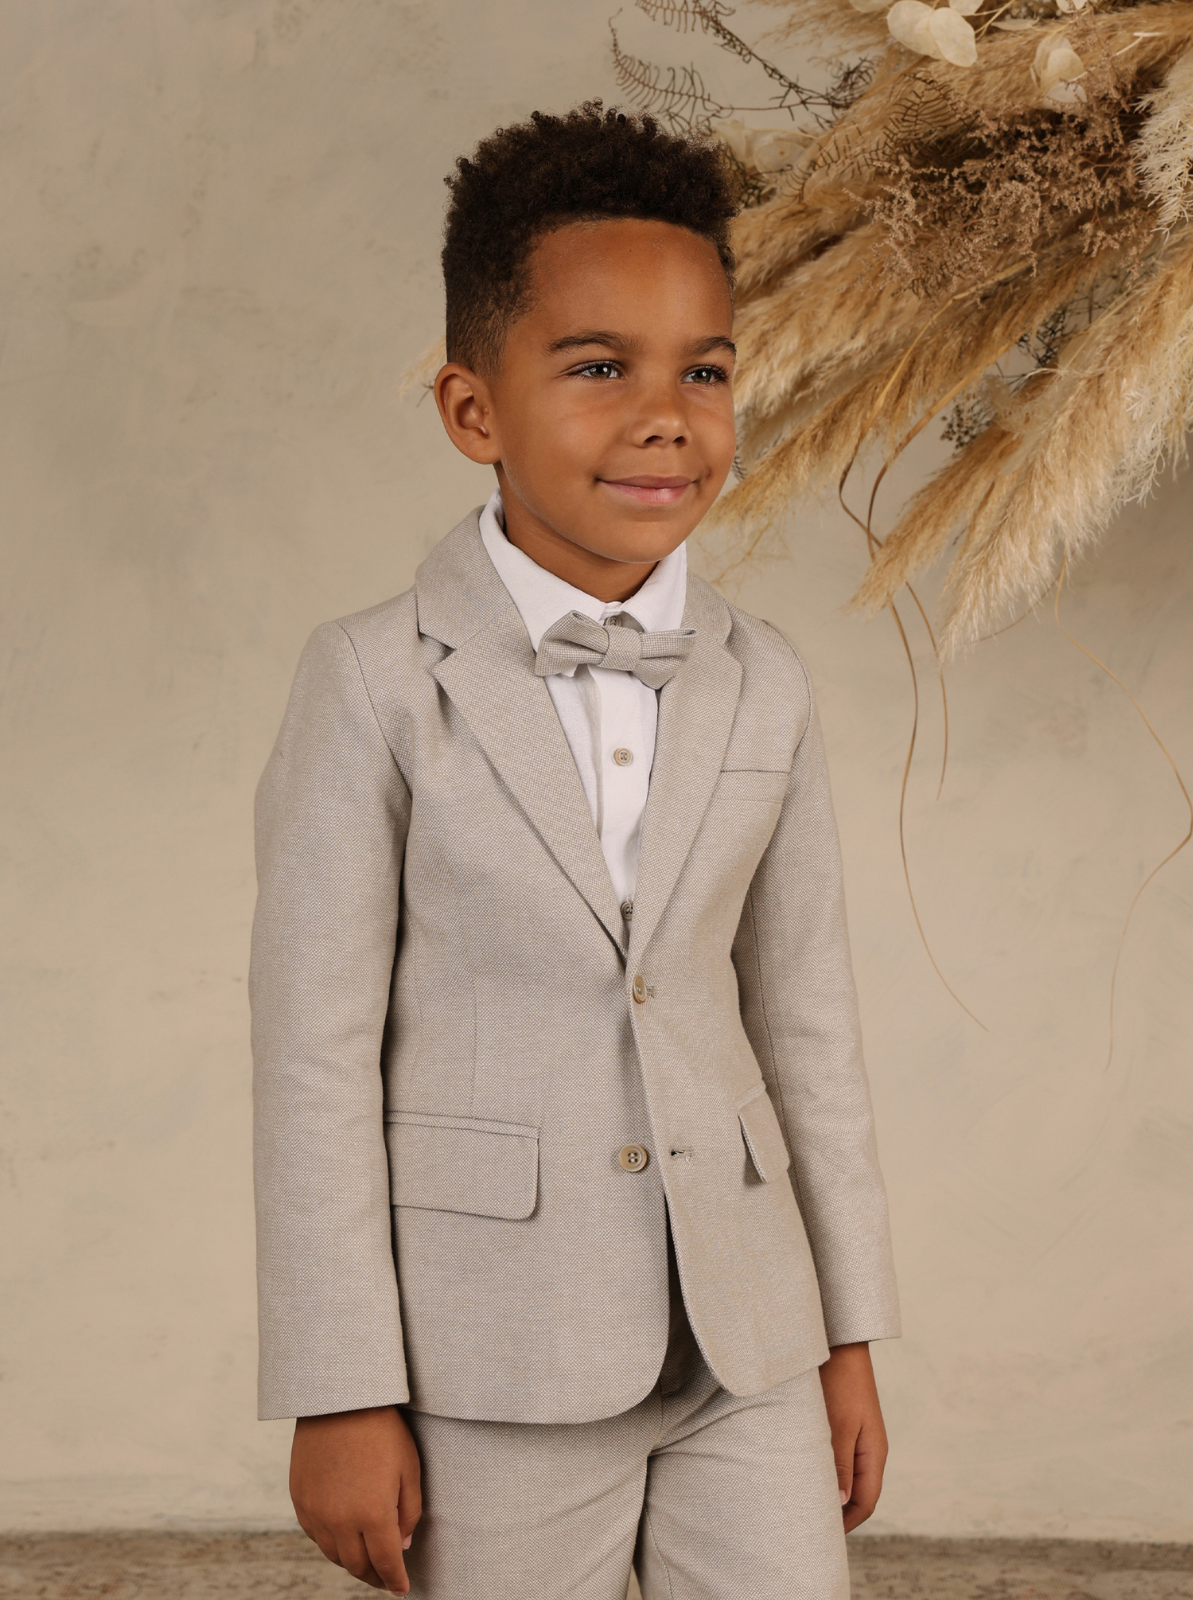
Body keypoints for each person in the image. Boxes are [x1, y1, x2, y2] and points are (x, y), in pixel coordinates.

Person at [250, 103, 900, 1600]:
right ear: (472, 411)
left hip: (746, 1334)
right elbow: (314, 1055)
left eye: (705, 370)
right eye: (599, 369)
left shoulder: (768, 680)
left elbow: (807, 1028)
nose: (665, 416)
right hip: (498, 1342)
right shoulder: (372, 680)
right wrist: (338, 1383)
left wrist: (846, 1332)